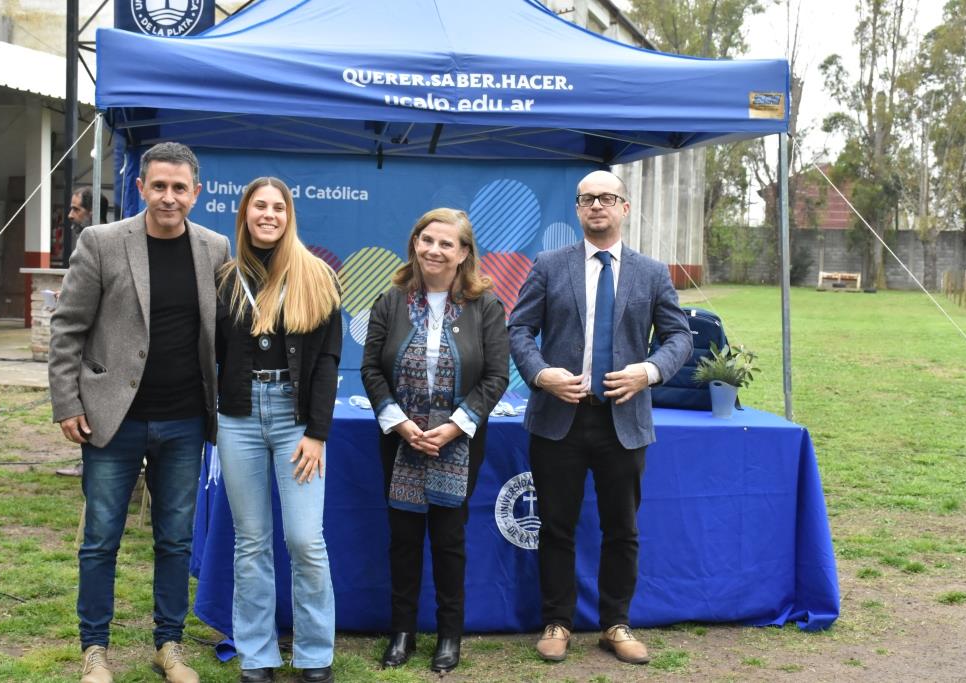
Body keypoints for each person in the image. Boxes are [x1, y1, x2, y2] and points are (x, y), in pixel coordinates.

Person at [48, 142, 230, 683]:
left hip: (185, 421)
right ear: (140, 187)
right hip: (112, 419)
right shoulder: (101, 242)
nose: (168, 197)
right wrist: (67, 403)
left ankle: (168, 646)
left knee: (175, 539)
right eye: (159, 186)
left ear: (196, 192)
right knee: (101, 537)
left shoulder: (215, 248)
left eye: (179, 187)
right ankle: (95, 650)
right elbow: (68, 329)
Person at [508, 170, 692, 665]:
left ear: (624, 208)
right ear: (577, 209)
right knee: (557, 526)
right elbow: (519, 330)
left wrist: (649, 372)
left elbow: (680, 338)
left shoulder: (652, 273)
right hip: (558, 418)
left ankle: (616, 623)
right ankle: (557, 622)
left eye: (606, 198)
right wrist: (541, 374)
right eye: (586, 199)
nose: (596, 206)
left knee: (622, 529)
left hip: (624, 420)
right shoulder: (549, 265)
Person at [361, 208, 509, 673]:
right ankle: (401, 634)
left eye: (446, 243)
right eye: (426, 240)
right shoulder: (390, 301)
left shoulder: (486, 306)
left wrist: (457, 425)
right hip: (401, 438)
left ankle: (449, 637)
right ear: (414, 244)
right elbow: (369, 368)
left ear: (464, 253)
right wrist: (399, 422)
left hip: (457, 442)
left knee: (449, 541)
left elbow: (496, 375)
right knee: (403, 540)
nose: (434, 250)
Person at [214, 178, 342, 683]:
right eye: (259, 206)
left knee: (306, 539)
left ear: (290, 216)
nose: (269, 214)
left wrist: (317, 432)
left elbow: (329, 360)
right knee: (251, 542)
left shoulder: (319, 276)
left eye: (278, 207)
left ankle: (314, 655)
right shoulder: (224, 278)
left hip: (296, 421)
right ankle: (258, 654)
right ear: (244, 213)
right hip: (238, 417)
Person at [55, 188, 111, 478]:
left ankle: (92, 459)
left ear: (91, 211)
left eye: (76, 209)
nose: (71, 215)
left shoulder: (102, 241)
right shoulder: (87, 239)